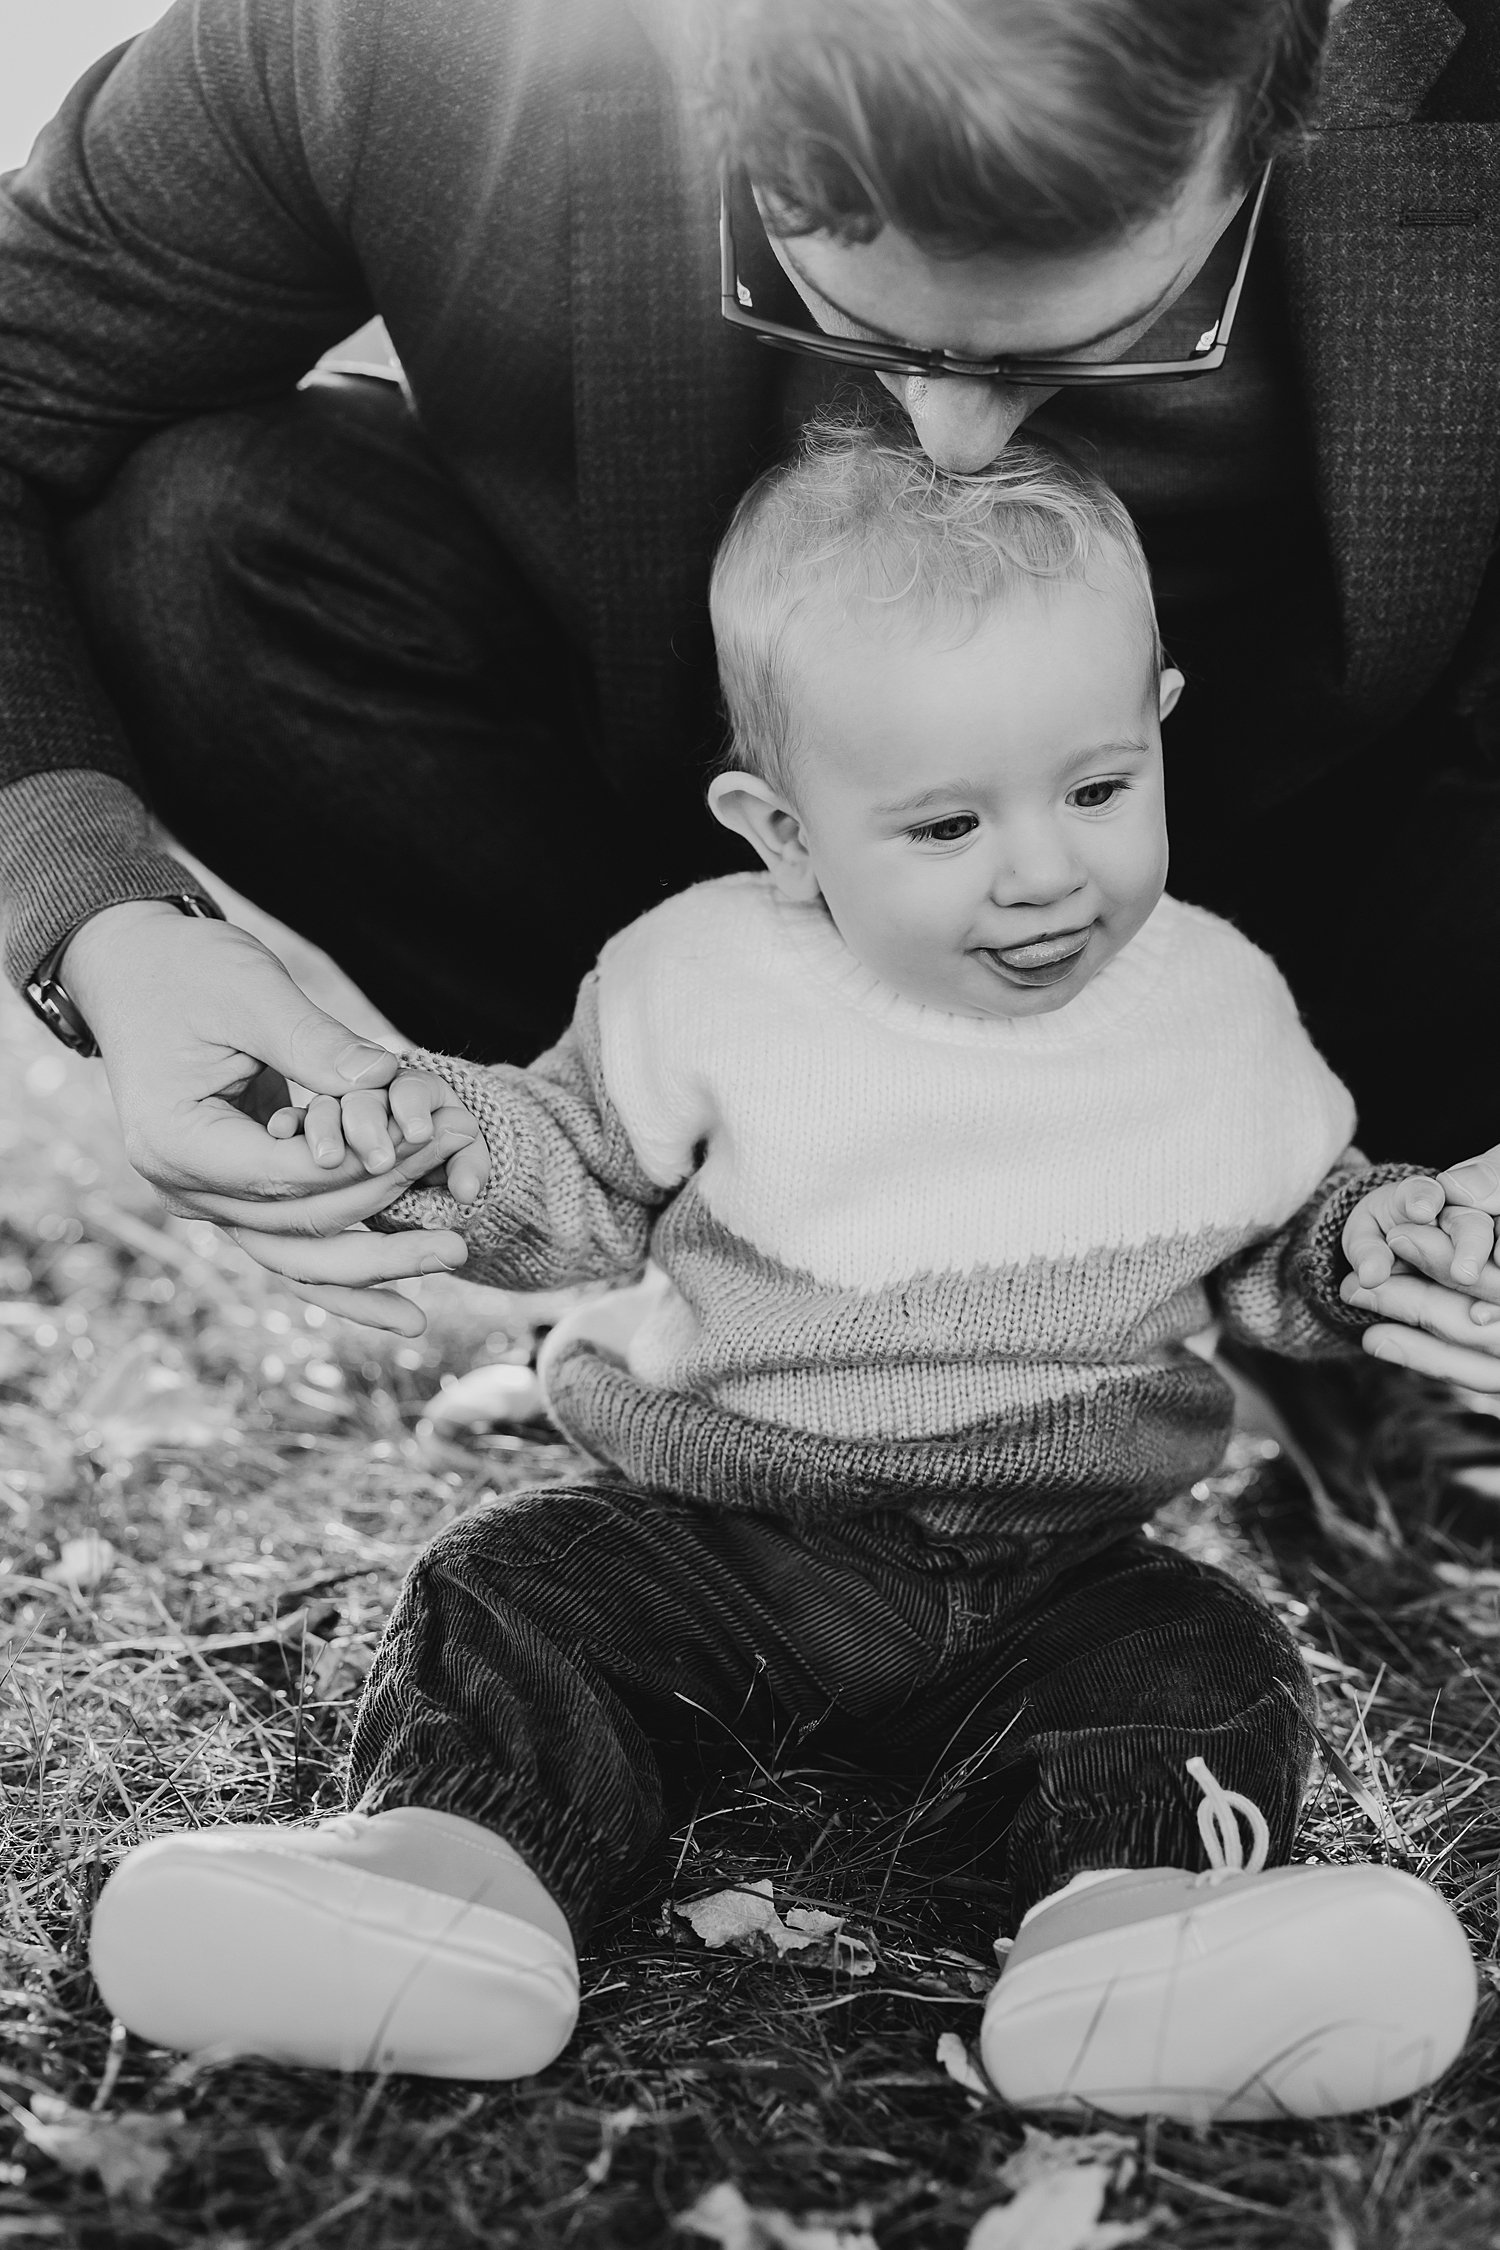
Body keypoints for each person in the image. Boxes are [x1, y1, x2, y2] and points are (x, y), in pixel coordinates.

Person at [89, 424, 1485, 2120]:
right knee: (516, 1588)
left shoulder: (1214, 1007)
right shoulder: (700, 983)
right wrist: (433, 1134)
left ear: (1162, 727)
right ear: (784, 828)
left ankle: (1146, 1931)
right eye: (948, 822)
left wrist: (1378, 1242)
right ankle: (449, 1888)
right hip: (734, 1541)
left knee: (1205, 1659)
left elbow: (1283, 1242)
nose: (1044, 869)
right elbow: (573, 1175)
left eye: (1100, 789)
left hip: (1063, 1568)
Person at [2, 0, 1500, 1429]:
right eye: (848, 315)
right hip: (706, 853)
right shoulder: (402, 37)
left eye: (1102, 339)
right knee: (196, 536)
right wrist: (108, 930)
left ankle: (1377, 1272)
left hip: (1380, 848)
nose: (951, 444)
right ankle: (730, 1261)